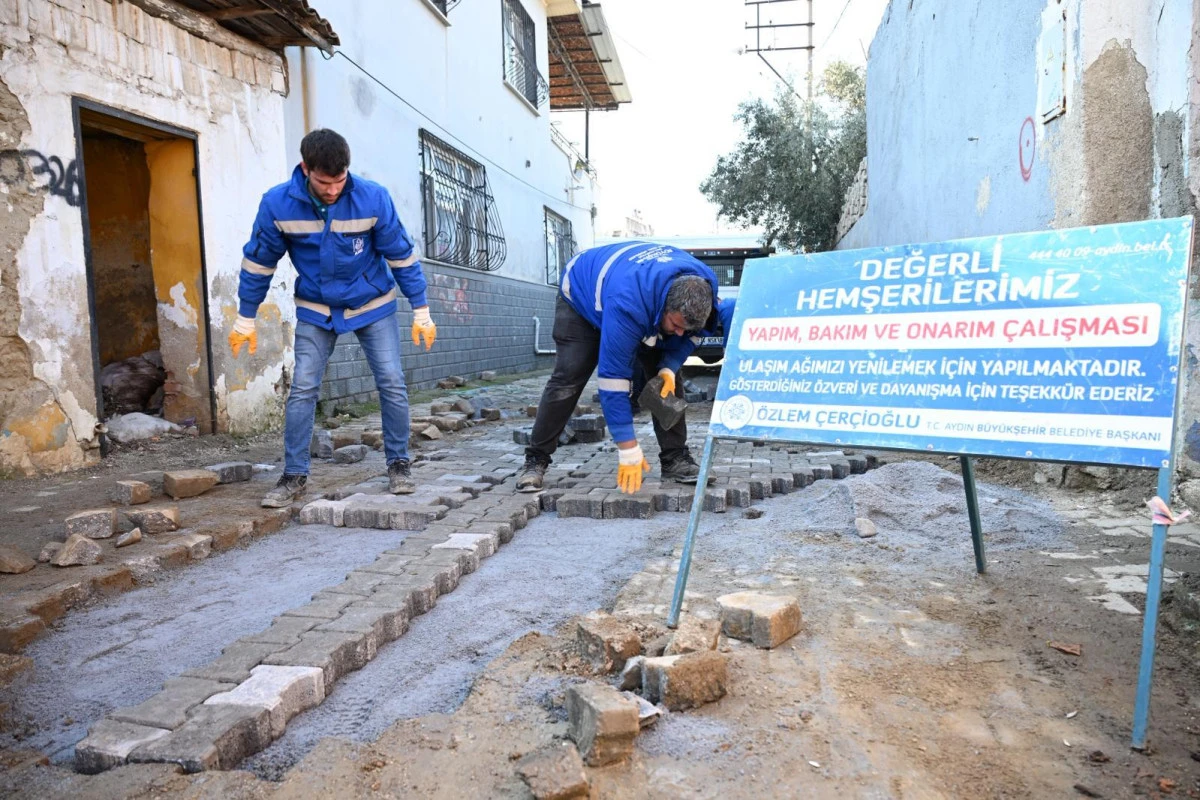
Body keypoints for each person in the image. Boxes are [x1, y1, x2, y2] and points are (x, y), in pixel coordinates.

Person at [228, 129, 437, 508]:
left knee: (391, 382)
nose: (333, 190)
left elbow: (401, 256)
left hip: (372, 303)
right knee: (303, 388)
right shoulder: (278, 204)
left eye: (340, 180)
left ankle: (399, 465)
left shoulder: (373, 198)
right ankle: (294, 476)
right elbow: (259, 262)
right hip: (317, 307)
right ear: (306, 169)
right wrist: (246, 316)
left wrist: (421, 308)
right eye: (324, 182)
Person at [517, 241, 720, 494]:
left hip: (630, 289)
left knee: (666, 380)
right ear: (665, 306)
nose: (680, 333)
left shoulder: (705, 286)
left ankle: (675, 458)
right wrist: (628, 447)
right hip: (582, 295)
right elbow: (613, 380)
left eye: (685, 328)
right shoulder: (629, 304)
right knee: (569, 377)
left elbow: (693, 334)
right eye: (676, 325)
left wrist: (669, 366)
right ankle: (536, 459)